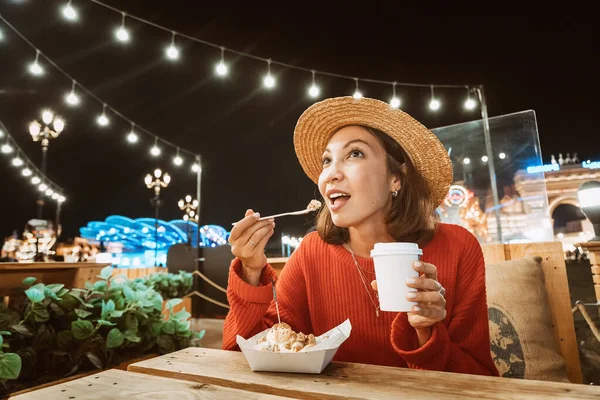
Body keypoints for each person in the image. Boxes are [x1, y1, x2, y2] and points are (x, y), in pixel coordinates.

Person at [223, 96, 498, 376]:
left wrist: (426, 334)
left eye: (355, 154)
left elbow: (481, 378)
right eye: (326, 160)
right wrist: (251, 270)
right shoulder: (311, 253)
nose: (330, 174)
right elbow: (243, 355)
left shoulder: (458, 247)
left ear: (396, 178)